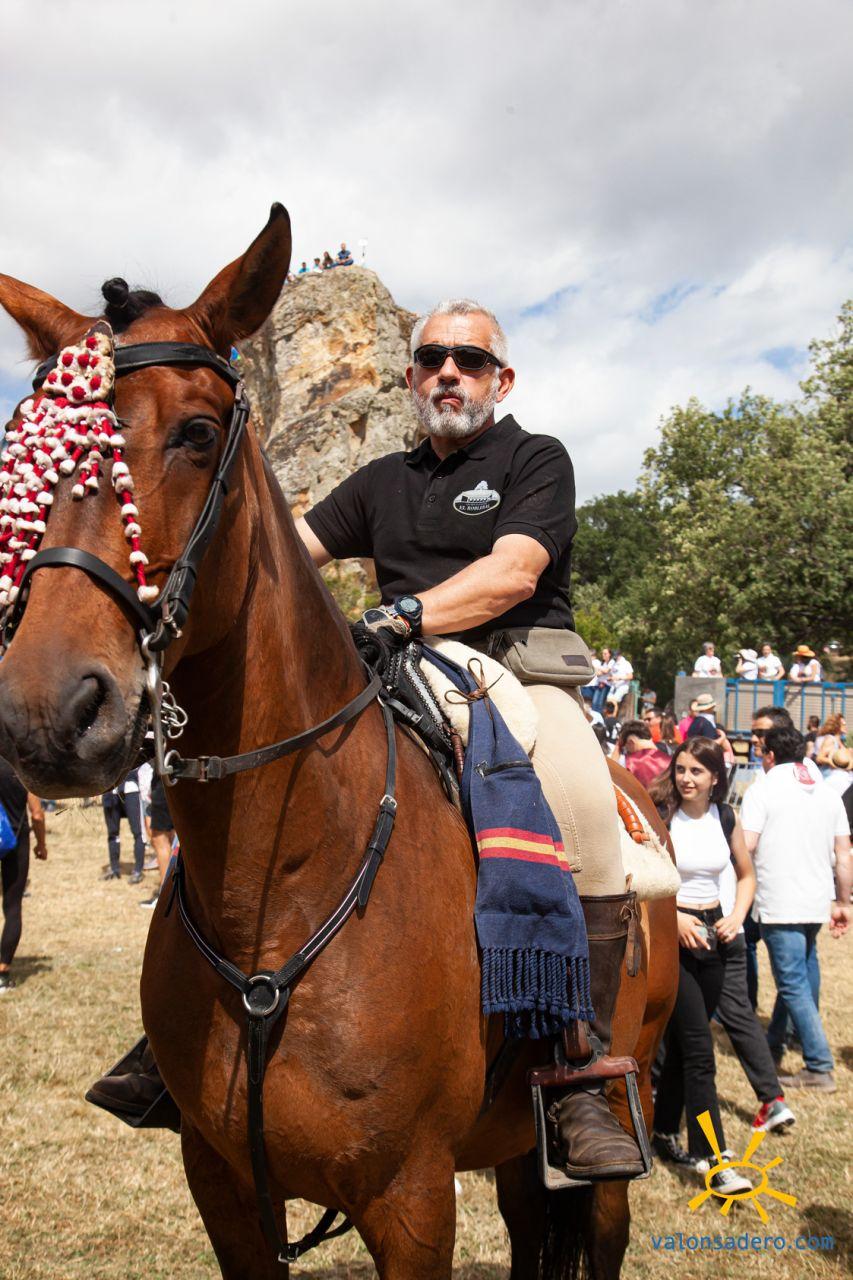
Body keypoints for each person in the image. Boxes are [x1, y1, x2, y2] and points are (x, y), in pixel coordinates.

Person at [95, 296, 648, 1181]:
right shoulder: (382, 480)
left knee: (580, 799)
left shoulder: (533, 458)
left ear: (501, 379)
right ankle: (176, 1035)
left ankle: (577, 1067)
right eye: (431, 358)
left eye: (469, 360)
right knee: (244, 793)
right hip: (396, 668)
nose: (448, 373)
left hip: (515, 671)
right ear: (410, 376)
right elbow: (284, 552)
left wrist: (403, 614)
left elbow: (513, 573)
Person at [649, 738, 755, 1190]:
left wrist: (737, 915)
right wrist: (673, 918)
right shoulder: (661, 815)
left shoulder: (725, 816)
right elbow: (638, 877)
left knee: (682, 1045)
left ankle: (662, 1132)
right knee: (700, 1051)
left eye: (696, 771)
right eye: (681, 769)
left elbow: (746, 875)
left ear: (715, 777)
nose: (686, 778)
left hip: (716, 937)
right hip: (673, 941)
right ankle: (714, 1158)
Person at [740, 726, 851, 1091]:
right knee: (801, 974)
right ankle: (774, 1043)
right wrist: (843, 901)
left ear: (769, 755)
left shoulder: (762, 790)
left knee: (792, 983)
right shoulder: (827, 793)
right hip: (816, 898)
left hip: (780, 898)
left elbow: (746, 845)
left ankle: (819, 1064)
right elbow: (843, 855)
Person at [0, 756, 47, 992]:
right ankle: (2, 971)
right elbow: (37, 814)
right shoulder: (20, 768)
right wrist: (41, 845)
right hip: (16, 840)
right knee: (12, 906)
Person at [101, 767, 147, 884]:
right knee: (112, 833)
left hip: (131, 790)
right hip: (110, 792)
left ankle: (138, 870)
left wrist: (144, 791)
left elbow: (143, 768)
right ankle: (114, 869)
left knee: (138, 832)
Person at [139, 775, 175, 910]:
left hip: (165, 780)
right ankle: (172, 892)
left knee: (160, 840)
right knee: (170, 839)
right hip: (176, 780)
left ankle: (166, 896)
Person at [615, 720, 671, 788]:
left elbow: (611, 777)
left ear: (630, 742)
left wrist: (617, 747)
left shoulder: (629, 762)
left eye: (625, 747)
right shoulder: (669, 755)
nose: (626, 751)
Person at [591, 645, 613, 713]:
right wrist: (601, 670)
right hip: (599, 683)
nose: (603, 655)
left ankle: (598, 717)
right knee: (594, 702)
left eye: (605, 653)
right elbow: (598, 674)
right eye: (603, 653)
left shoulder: (612, 662)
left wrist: (598, 667)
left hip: (606, 685)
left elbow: (606, 671)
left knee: (600, 703)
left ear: (609, 654)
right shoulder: (603, 663)